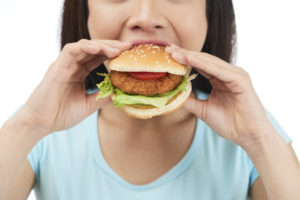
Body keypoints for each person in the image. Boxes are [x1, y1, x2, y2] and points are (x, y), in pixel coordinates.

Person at [0, 0, 299, 199]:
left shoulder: (253, 130)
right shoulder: (40, 128)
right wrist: (30, 124)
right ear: (84, 10)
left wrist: (260, 142)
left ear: (212, 10)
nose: (146, 18)